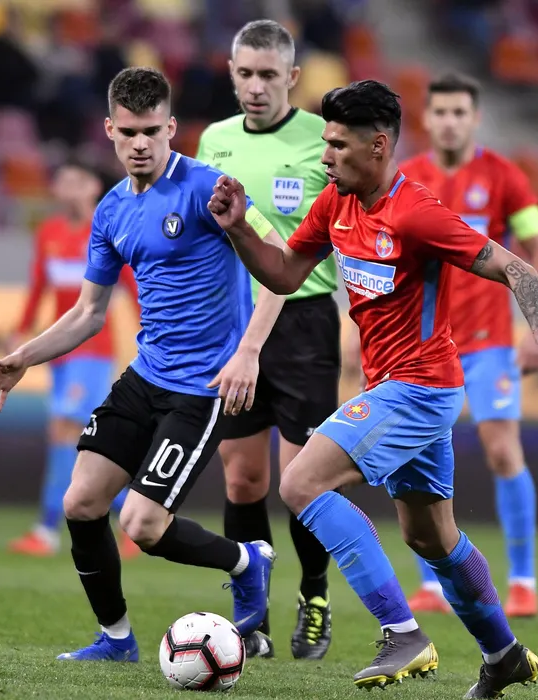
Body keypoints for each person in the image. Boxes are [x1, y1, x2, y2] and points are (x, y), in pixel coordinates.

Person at [206, 80, 538, 696]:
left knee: (301, 482)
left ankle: (402, 632)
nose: (325, 156)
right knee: (431, 536)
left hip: (420, 387)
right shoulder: (335, 202)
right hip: (398, 386)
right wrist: (239, 232)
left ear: (378, 145)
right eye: (325, 143)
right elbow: (284, 273)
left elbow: (516, 266)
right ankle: (503, 654)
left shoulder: (417, 213)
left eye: (337, 145)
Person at [0, 67, 280, 662]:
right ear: (109, 131)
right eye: (129, 132)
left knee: (142, 525)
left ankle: (247, 560)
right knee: (81, 504)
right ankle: (116, 640)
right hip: (146, 376)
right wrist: (22, 359)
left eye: (152, 131)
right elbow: (89, 313)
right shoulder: (111, 210)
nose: (140, 144)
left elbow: (279, 267)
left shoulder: (211, 188)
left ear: (170, 128)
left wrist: (248, 352)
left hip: (204, 387)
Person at [195, 19, 341, 661]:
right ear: (232, 74)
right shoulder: (215, 141)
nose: (255, 86)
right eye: (245, 74)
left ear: (293, 77)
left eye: (268, 75)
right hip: (236, 324)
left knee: (302, 481)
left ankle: (314, 594)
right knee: (243, 478)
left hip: (303, 324)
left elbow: (314, 244)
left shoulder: (322, 141)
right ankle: (250, 615)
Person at [399, 72, 538, 618]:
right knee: (414, 455)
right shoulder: (407, 178)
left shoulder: (504, 177)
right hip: (422, 343)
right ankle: (430, 585)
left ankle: (523, 582)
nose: (449, 122)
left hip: (489, 341)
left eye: (459, 112)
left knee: (502, 450)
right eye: (440, 112)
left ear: (475, 118)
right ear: (427, 118)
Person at [7, 159, 141, 561]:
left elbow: (133, 286)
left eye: (75, 180)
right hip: (58, 351)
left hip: (92, 350)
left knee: (67, 433)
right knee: (70, 439)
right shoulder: (48, 232)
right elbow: (38, 285)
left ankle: (47, 528)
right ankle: (132, 516)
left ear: (93, 187)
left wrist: (150, 329)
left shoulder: (107, 231)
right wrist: (22, 331)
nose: (65, 187)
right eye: (61, 180)